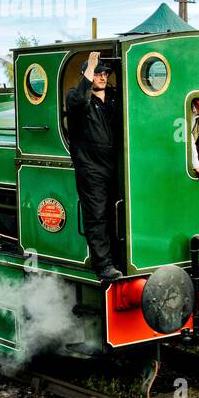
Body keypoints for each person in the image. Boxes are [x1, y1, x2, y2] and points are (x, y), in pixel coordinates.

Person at [65, 50, 123, 281]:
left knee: (116, 213)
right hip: (91, 168)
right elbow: (79, 99)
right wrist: (90, 65)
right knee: (97, 216)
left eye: (105, 73)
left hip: (115, 165)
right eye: (98, 73)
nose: (102, 76)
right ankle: (104, 266)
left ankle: (119, 258)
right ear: (87, 75)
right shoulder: (76, 98)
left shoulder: (113, 99)